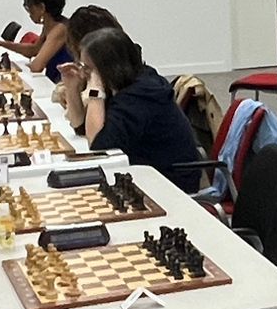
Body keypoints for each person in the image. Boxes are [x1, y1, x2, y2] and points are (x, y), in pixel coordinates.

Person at [76, 27, 203, 188]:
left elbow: (99, 148)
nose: (83, 74)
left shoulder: (140, 94)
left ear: (107, 67)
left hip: (170, 182)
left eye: (88, 68)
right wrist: (72, 87)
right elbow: (81, 127)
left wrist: (95, 91)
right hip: (148, 172)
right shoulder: (127, 82)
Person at [54, 3, 123, 125]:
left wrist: (93, 90)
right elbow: (77, 125)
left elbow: (94, 133)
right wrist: (72, 88)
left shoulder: (119, 77)